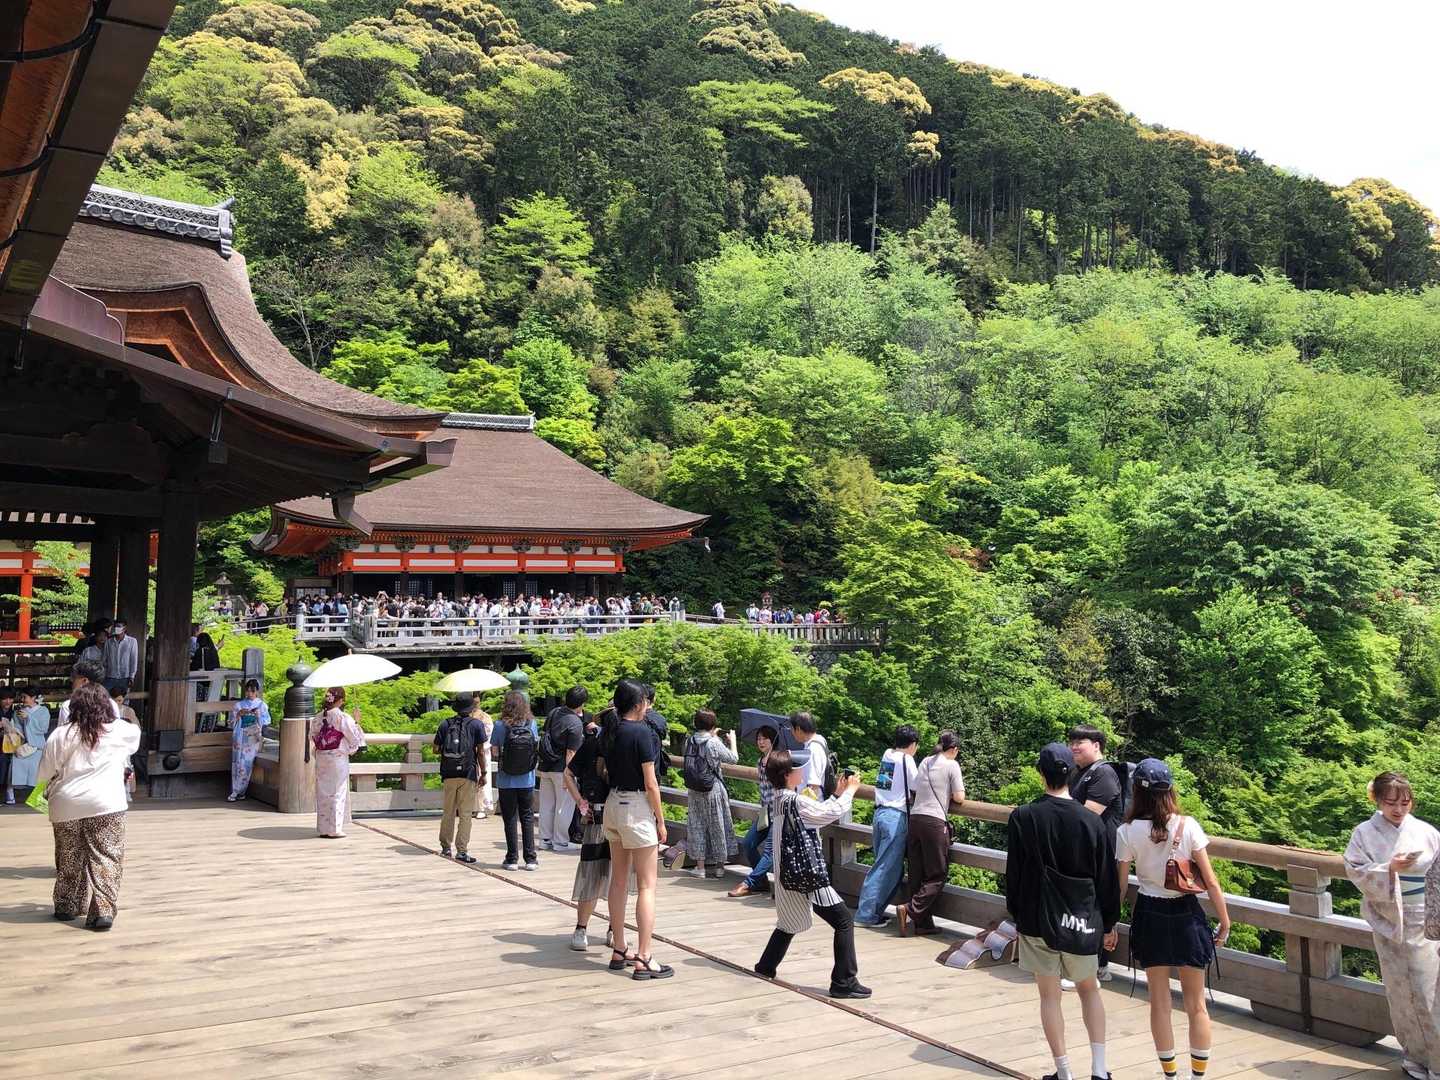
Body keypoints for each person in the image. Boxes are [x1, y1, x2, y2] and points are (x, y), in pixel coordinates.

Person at [1107, 759, 1230, 1080]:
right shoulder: (1188, 826)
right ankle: (1198, 1076)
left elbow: (1121, 887)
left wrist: (1110, 924)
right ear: (1170, 790)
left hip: (1149, 914)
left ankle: (1170, 1075)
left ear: (1136, 792)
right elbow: (1211, 881)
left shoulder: (1126, 832)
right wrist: (1225, 920)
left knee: (1159, 1002)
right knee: (1196, 1004)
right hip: (1187, 915)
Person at [1006, 743, 1120, 1080]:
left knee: (1049, 996)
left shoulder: (1023, 817)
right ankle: (1099, 1070)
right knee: (1089, 990)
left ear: (1040, 774)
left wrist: (1018, 915)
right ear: (1071, 773)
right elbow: (1105, 879)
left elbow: (1014, 874)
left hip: (1036, 918)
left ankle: (1064, 1072)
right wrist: (1109, 922)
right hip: (1081, 919)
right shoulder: (1091, 822)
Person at [753, 748, 870, 999]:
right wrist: (850, 791)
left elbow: (816, 814)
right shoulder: (796, 801)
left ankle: (765, 966)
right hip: (807, 871)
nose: (803, 771)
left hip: (788, 870)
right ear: (788, 774)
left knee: (788, 921)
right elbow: (828, 814)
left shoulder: (780, 799)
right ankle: (843, 981)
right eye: (798, 768)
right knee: (843, 921)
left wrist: (836, 794)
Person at [1344, 771, 1439, 1080]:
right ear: (1376, 800)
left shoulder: (1426, 832)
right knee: (1400, 995)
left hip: (1428, 920)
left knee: (1430, 994)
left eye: (1405, 802)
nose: (1398, 809)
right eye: (1391, 803)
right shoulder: (1364, 833)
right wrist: (1389, 868)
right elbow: (1355, 870)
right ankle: (1414, 1058)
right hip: (1391, 922)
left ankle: (1437, 1062)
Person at [34, 682, 141, 930]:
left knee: (69, 856)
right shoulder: (121, 731)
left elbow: (44, 774)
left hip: (66, 804)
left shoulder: (60, 734)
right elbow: (134, 737)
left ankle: (66, 905)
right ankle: (102, 911)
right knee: (107, 856)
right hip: (107, 803)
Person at [600, 678, 673, 979]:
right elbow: (651, 783)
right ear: (640, 703)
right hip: (636, 807)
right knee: (646, 885)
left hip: (613, 805)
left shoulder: (610, 729)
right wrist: (661, 820)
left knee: (618, 881)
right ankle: (644, 955)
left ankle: (620, 948)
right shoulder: (641, 732)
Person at [562, 707, 631, 952]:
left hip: (596, 815)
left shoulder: (592, 744)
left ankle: (581, 929)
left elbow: (568, 773)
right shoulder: (627, 744)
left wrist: (581, 802)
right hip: (622, 817)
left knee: (590, 873)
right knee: (619, 876)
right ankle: (614, 930)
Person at [897, 729, 965, 937]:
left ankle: (923, 925)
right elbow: (960, 797)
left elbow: (915, 787)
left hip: (915, 820)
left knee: (917, 873)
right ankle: (910, 909)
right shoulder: (952, 765)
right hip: (934, 823)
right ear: (954, 749)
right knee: (937, 874)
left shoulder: (926, 761)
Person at [1069, 724, 1122, 983]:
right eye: (1072, 742)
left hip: (1102, 854)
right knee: (1086, 905)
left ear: (1097, 745)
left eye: (1080, 742)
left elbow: (1087, 816)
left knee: (1093, 907)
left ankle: (1092, 969)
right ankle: (1096, 966)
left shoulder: (1103, 773)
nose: (1074, 747)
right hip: (1085, 851)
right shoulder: (1079, 773)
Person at [857, 724, 920, 926]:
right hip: (895, 817)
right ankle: (866, 915)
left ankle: (873, 912)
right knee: (883, 869)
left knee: (884, 866)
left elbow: (886, 784)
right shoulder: (907, 760)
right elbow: (917, 785)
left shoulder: (887, 754)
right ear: (913, 744)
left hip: (880, 813)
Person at [681, 709, 739, 878]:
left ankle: (700, 868)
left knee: (697, 825)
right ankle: (720, 868)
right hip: (712, 789)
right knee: (717, 825)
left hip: (694, 789)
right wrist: (732, 741)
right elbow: (733, 759)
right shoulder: (713, 742)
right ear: (713, 725)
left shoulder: (689, 740)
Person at [434, 694, 487, 862]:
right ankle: (462, 851)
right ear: (471, 707)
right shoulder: (477, 725)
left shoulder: (445, 724)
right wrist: (484, 773)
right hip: (468, 773)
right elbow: (480, 752)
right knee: (465, 813)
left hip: (448, 773)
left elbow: (435, 749)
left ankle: (445, 847)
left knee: (448, 811)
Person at [491, 690, 539, 871]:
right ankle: (530, 859)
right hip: (527, 778)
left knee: (510, 818)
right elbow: (534, 746)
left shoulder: (499, 725)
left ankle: (512, 859)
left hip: (506, 779)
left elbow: (495, 751)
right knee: (527, 817)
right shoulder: (531, 723)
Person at [536, 686, 587, 852]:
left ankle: (544, 840)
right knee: (563, 806)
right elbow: (571, 752)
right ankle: (560, 841)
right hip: (562, 769)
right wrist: (569, 777)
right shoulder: (575, 722)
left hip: (545, 765)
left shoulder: (554, 712)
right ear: (582, 703)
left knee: (546, 805)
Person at [729, 725, 778, 898]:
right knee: (748, 843)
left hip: (779, 813)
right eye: (758, 739)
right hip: (765, 812)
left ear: (773, 740)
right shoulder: (760, 761)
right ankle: (761, 881)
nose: (761, 742)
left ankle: (748, 883)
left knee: (769, 852)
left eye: (765, 738)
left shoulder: (778, 761)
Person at [310, 687, 365, 838]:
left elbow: (312, 736)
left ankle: (323, 828)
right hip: (337, 757)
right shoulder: (342, 717)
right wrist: (357, 721)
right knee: (337, 791)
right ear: (340, 700)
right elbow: (354, 739)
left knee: (323, 792)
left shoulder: (318, 717)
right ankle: (334, 829)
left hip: (322, 757)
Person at [228, 679, 270, 802]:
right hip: (240, 735)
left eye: (252, 691)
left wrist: (258, 716)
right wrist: (238, 715)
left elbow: (266, 721)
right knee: (237, 762)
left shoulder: (262, 705)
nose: (250, 694)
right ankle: (236, 790)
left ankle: (239, 791)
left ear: (257, 691)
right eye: (248, 691)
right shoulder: (239, 705)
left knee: (246, 764)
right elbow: (231, 722)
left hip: (252, 737)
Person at [10, 687, 51, 799]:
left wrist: (29, 718)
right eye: (21, 697)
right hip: (23, 745)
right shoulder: (19, 711)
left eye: (25, 697)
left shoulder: (43, 711)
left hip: (38, 746)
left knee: (39, 773)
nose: (22, 699)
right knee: (16, 767)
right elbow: (17, 728)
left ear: (33, 697)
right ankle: (10, 796)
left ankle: (39, 799)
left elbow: (43, 728)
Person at [788, 711, 827, 797]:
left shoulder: (813, 749)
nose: (792, 733)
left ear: (798, 729)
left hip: (811, 802)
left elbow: (813, 786)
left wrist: (805, 803)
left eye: (792, 730)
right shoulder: (820, 740)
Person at [102, 620, 139, 696]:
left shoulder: (132, 641)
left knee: (123, 699)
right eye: (115, 626)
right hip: (110, 676)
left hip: (125, 677)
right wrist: (103, 674)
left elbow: (133, 660)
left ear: (124, 628)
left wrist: (132, 676)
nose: (116, 628)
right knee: (106, 697)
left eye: (119, 626)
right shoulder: (109, 642)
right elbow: (104, 659)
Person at [191, 630, 221, 703]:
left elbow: (194, 666)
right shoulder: (214, 651)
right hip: (213, 682)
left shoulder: (199, 651)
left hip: (201, 682)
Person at [0, 686, 15, 804]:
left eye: (10, 698)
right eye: (4, 699)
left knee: (5, 769)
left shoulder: (14, 712)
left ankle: (6, 794)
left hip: (8, 746)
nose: (8, 701)